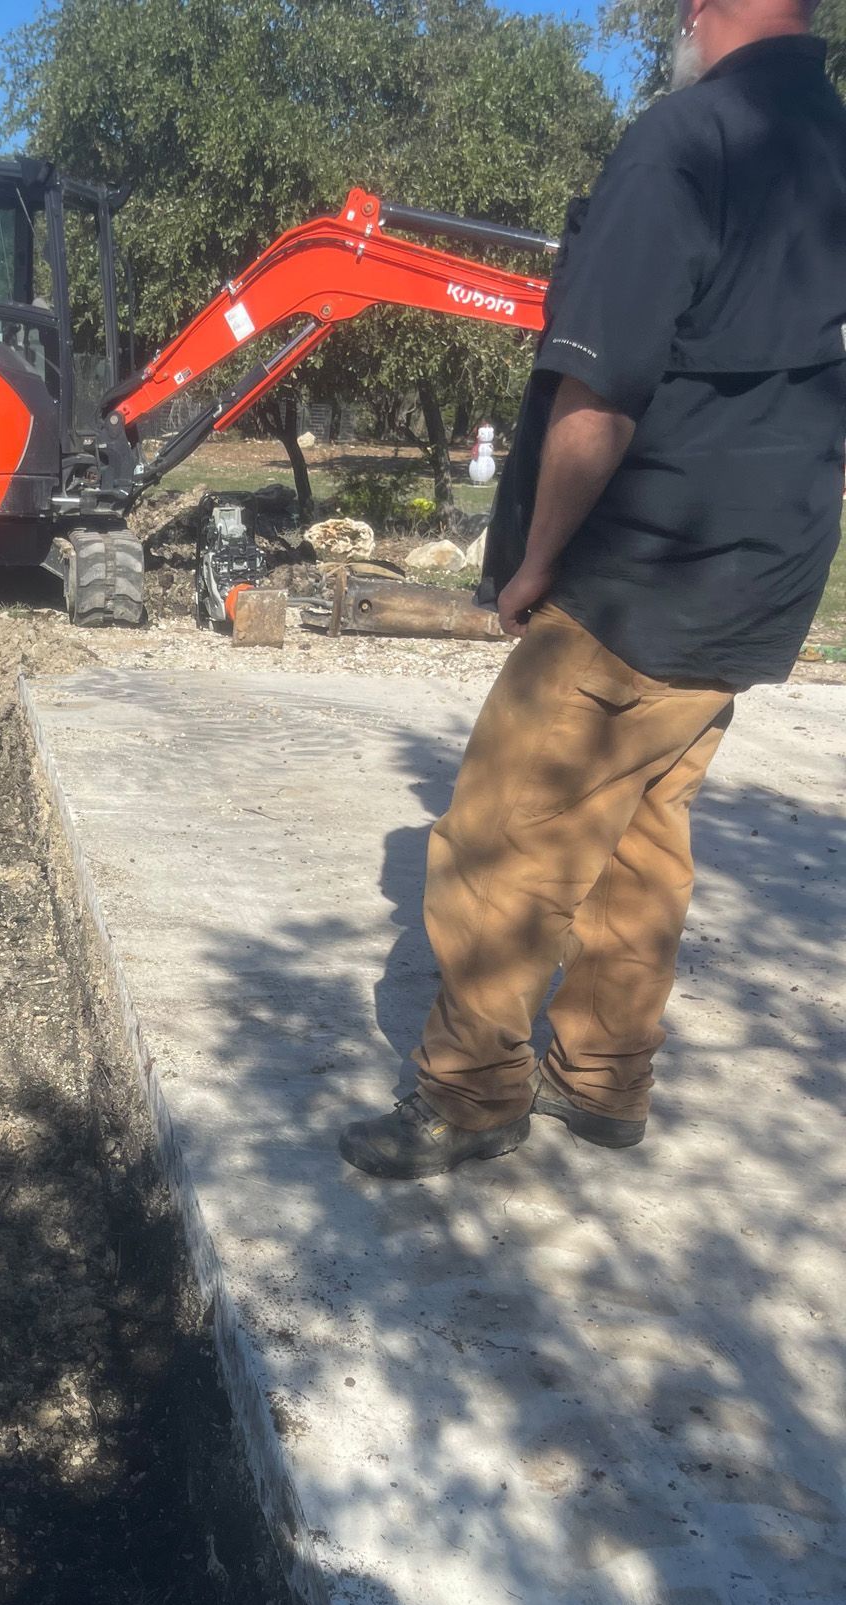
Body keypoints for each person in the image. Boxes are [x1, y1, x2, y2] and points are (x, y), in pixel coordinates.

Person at [341, 0, 846, 1180]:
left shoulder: (685, 139)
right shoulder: (828, 149)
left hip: (633, 577)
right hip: (753, 589)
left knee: (499, 838)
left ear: (702, 11)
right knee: (642, 838)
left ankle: (468, 1095)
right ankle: (605, 1080)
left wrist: (532, 561)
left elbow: (601, 392)